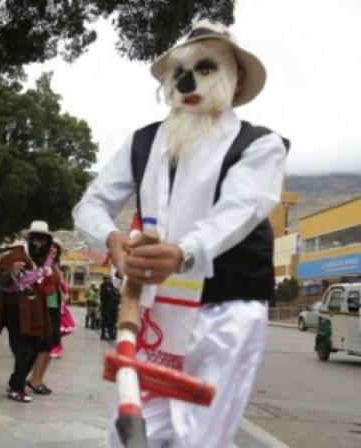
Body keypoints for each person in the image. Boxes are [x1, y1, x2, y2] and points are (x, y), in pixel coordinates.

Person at [73, 20, 287, 447]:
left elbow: (239, 210)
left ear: (236, 76)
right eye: (180, 73)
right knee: (135, 434)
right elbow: (90, 205)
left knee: (201, 439)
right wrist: (112, 240)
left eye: (205, 69)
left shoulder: (259, 146)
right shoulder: (142, 142)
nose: (189, 83)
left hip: (221, 313)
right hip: (155, 315)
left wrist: (185, 251)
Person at [0, 220, 54, 403]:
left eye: (43, 240)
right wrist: (11, 272)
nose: (40, 244)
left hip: (37, 311)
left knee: (34, 350)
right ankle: (16, 388)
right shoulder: (15, 255)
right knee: (23, 351)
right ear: (29, 239)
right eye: (36, 240)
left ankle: (15, 383)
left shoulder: (44, 260)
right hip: (16, 310)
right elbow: (2, 282)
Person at [27, 241, 65, 393]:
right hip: (45, 309)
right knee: (44, 345)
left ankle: (39, 378)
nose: (54, 249)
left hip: (54, 308)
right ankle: (34, 379)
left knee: (52, 345)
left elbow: (57, 287)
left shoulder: (55, 266)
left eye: (56, 248)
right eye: (51, 247)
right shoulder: (43, 266)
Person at [99, 276, 119, 341]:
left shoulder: (111, 286)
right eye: (107, 279)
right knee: (106, 321)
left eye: (109, 279)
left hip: (113, 307)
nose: (108, 280)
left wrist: (117, 299)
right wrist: (116, 298)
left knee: (112, 321)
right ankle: (103, 335)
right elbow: (110, 295)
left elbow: (116, 295)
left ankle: (111, 334)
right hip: (106, 307)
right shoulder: (104, 286)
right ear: (104, 280)